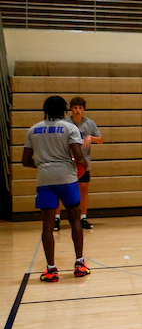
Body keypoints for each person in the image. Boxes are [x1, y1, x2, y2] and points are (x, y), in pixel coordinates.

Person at [23, 96, 87, 282]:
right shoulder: (69, 128)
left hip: (45, 179)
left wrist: (44, 166)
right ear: (64, 110)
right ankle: (79, 264)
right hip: (66, 177)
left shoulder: (33, 129)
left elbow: (25, 161)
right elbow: (78, 155)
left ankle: (51, 269)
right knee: (75, 218)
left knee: (48, 226)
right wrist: (81, 166)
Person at [54, 96, 102, 231]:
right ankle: (56, 218)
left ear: (84, 110)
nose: (78, 111)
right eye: (75, 108)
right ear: (71, 109)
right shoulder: (64, 123)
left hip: (83, 163)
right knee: (61, 190)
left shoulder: (89, 123)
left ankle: (83, 217)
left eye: (80, 108)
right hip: (66, 162)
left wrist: (90, 137)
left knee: (83, 189)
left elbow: (101, 139)